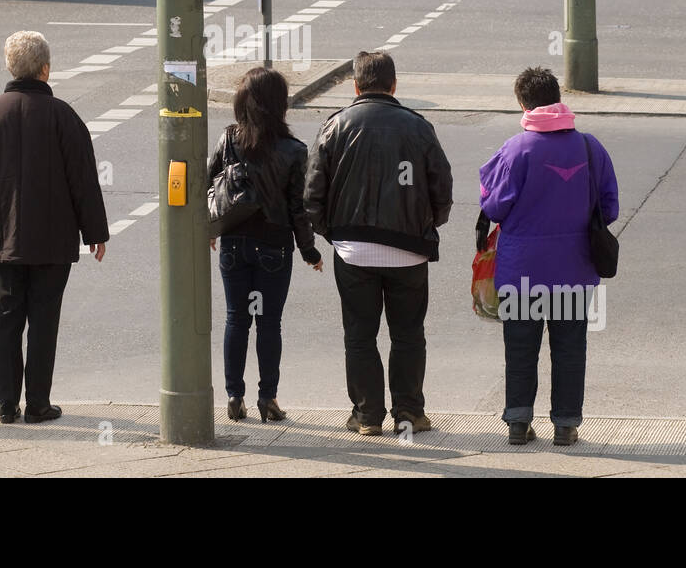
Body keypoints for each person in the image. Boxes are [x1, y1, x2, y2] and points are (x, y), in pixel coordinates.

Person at [0, 31, 109, 424]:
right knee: (44, 321)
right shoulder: (63, 115)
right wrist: (95, 232)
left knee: (8, 319)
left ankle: (7, 405)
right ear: (45, 69)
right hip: (52, 240)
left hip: (2, 237)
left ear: (11, 67)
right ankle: (38, 404)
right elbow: (83, 179)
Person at [305, 51, 453, 437]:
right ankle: (409, 414)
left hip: (353, 251)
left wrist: (333, 234)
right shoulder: (418, 127)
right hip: (408, 248)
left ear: (355, 85)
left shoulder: (335, 126)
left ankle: (368, 415)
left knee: (359, 334)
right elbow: (442, 188)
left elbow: (312, 195)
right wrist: (426, 224)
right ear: (394, 85)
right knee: (408, 333)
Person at [477, 68, 618, 447]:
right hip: (574, 268)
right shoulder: (590, 147)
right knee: (569, 348)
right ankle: (566, 425)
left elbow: (493, 206)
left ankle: (519, 424)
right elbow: (610, 208)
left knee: (521, 348)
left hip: (521, 270)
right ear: (559, 98)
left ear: (523, 104)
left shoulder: (515, 149)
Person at [208, 67, 323, 424]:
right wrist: (310, 252)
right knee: (269, 323)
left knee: (235, 319)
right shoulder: (293, 150)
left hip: (233, 242)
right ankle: (267, 399)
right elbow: (298, 210)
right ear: (280, 105)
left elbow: (210, 184)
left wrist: (210, 228)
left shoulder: (228, 139)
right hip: (274, 246)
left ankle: (233, 396)